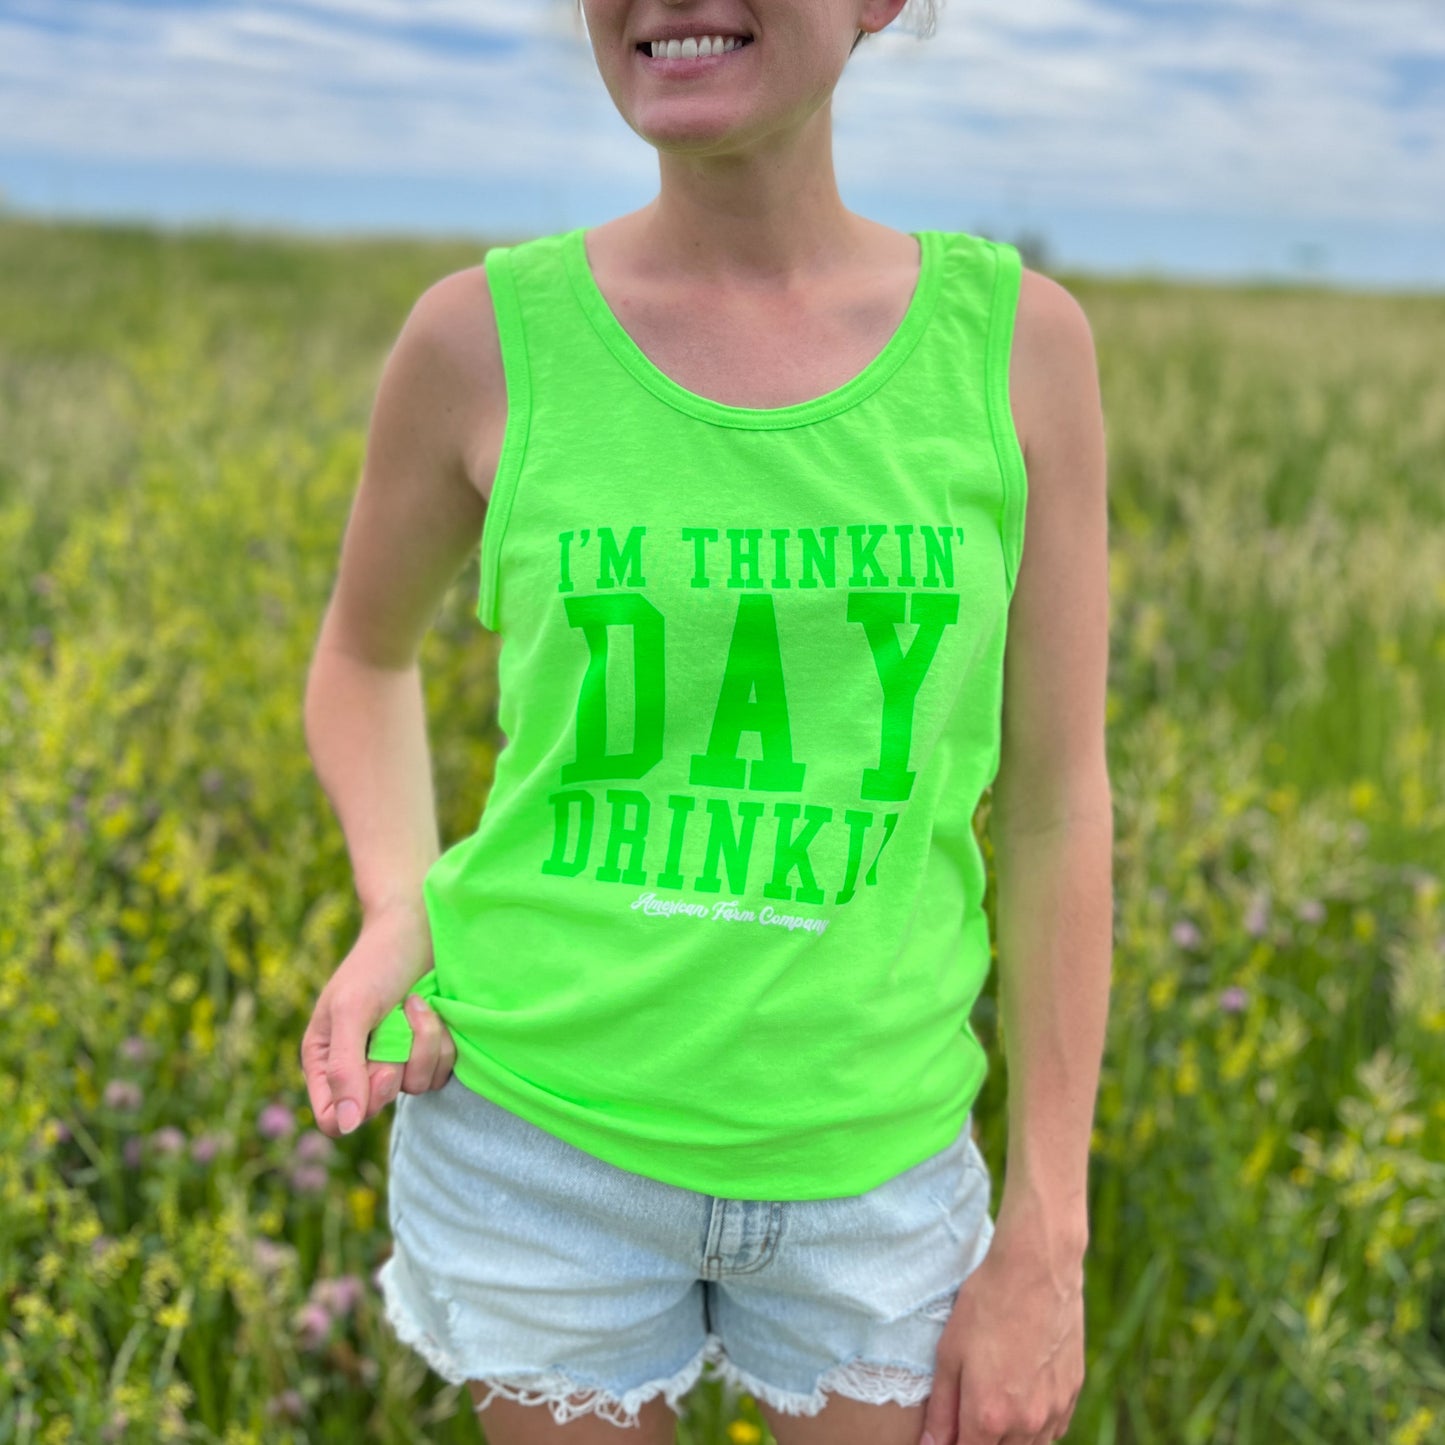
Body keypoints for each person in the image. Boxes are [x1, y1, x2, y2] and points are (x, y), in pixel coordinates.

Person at [300, 0, 1112, 1441]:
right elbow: (362, 655)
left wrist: (1050, 1233)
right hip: (533, 1141)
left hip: (871, 1167)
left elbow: (1055, 799)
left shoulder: (1016, 349)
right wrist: (396, 906)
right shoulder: (482, 339)